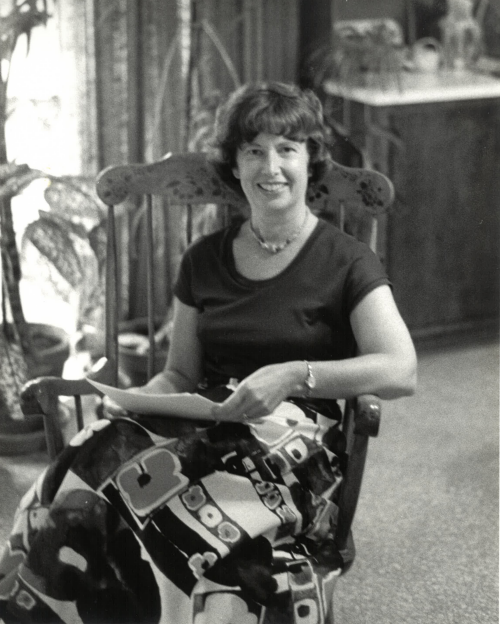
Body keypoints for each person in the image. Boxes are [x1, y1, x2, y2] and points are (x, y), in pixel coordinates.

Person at [0, 82, 416, 624]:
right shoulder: (203, 260)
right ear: (235, 166)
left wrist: (293, 375)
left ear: (310, 160)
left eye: (287, 149)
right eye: (254, 150)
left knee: (172, 517)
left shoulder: (348, 260)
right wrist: (135, 400)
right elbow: (179, 374)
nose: (271, 167)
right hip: (209, 425)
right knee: (88, 462)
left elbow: (401, 369)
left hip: (295, 445)